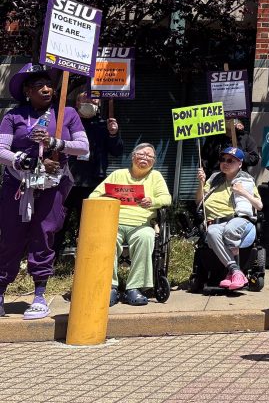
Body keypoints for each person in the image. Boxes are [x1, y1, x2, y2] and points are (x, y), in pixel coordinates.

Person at [0, 63, 89, 319]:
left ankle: (39, 295)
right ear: (28, 91)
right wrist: (23, 160)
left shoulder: (67, 113)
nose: (47, 89)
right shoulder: (13, 116)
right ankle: (1, 289)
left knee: (44, 235)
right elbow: (1, 150)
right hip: (17, 185)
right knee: (10, 238)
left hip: (52, 186)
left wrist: (55, 143)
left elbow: (83, 148)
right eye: (39, 86)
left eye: (49, 85)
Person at [89, 143, 172, 306]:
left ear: (154, 161)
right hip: (114, 222)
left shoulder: (155, 176)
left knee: (146, 237)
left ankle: (134, 287)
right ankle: (109, 286)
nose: (145, 158)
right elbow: (94, 196)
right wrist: (110, 197)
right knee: (106, 239)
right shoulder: (118, 174)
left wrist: (153, 201)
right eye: (141, 154)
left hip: (141, 223)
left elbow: (167, 199)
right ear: (133, 156)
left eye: (149, 156)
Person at [195, 146, 263, 290]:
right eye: (223, 159)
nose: (225, 163)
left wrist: (243, 192)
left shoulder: (246, 181)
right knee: (212, 231)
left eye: (230, 160)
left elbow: (259, 205)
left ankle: (233, 273)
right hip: (214, 223)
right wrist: (201, 183)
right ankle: (235, 271)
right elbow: (198, 201)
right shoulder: (214, 178)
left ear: (240, 164)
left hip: (239, 221)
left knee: (230, 230)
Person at [62, 92, 123, 252]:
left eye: (93, 98)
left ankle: (86, 258)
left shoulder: (105, 125)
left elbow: (117, 151)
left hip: (94, 182)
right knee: (59, 222)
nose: (90, 101)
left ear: (99, 103)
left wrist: (113, 134)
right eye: (85, 98)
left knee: (89, 225)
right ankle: (50, 261)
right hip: (68, 180)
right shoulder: (67, 123)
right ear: (77, 103)